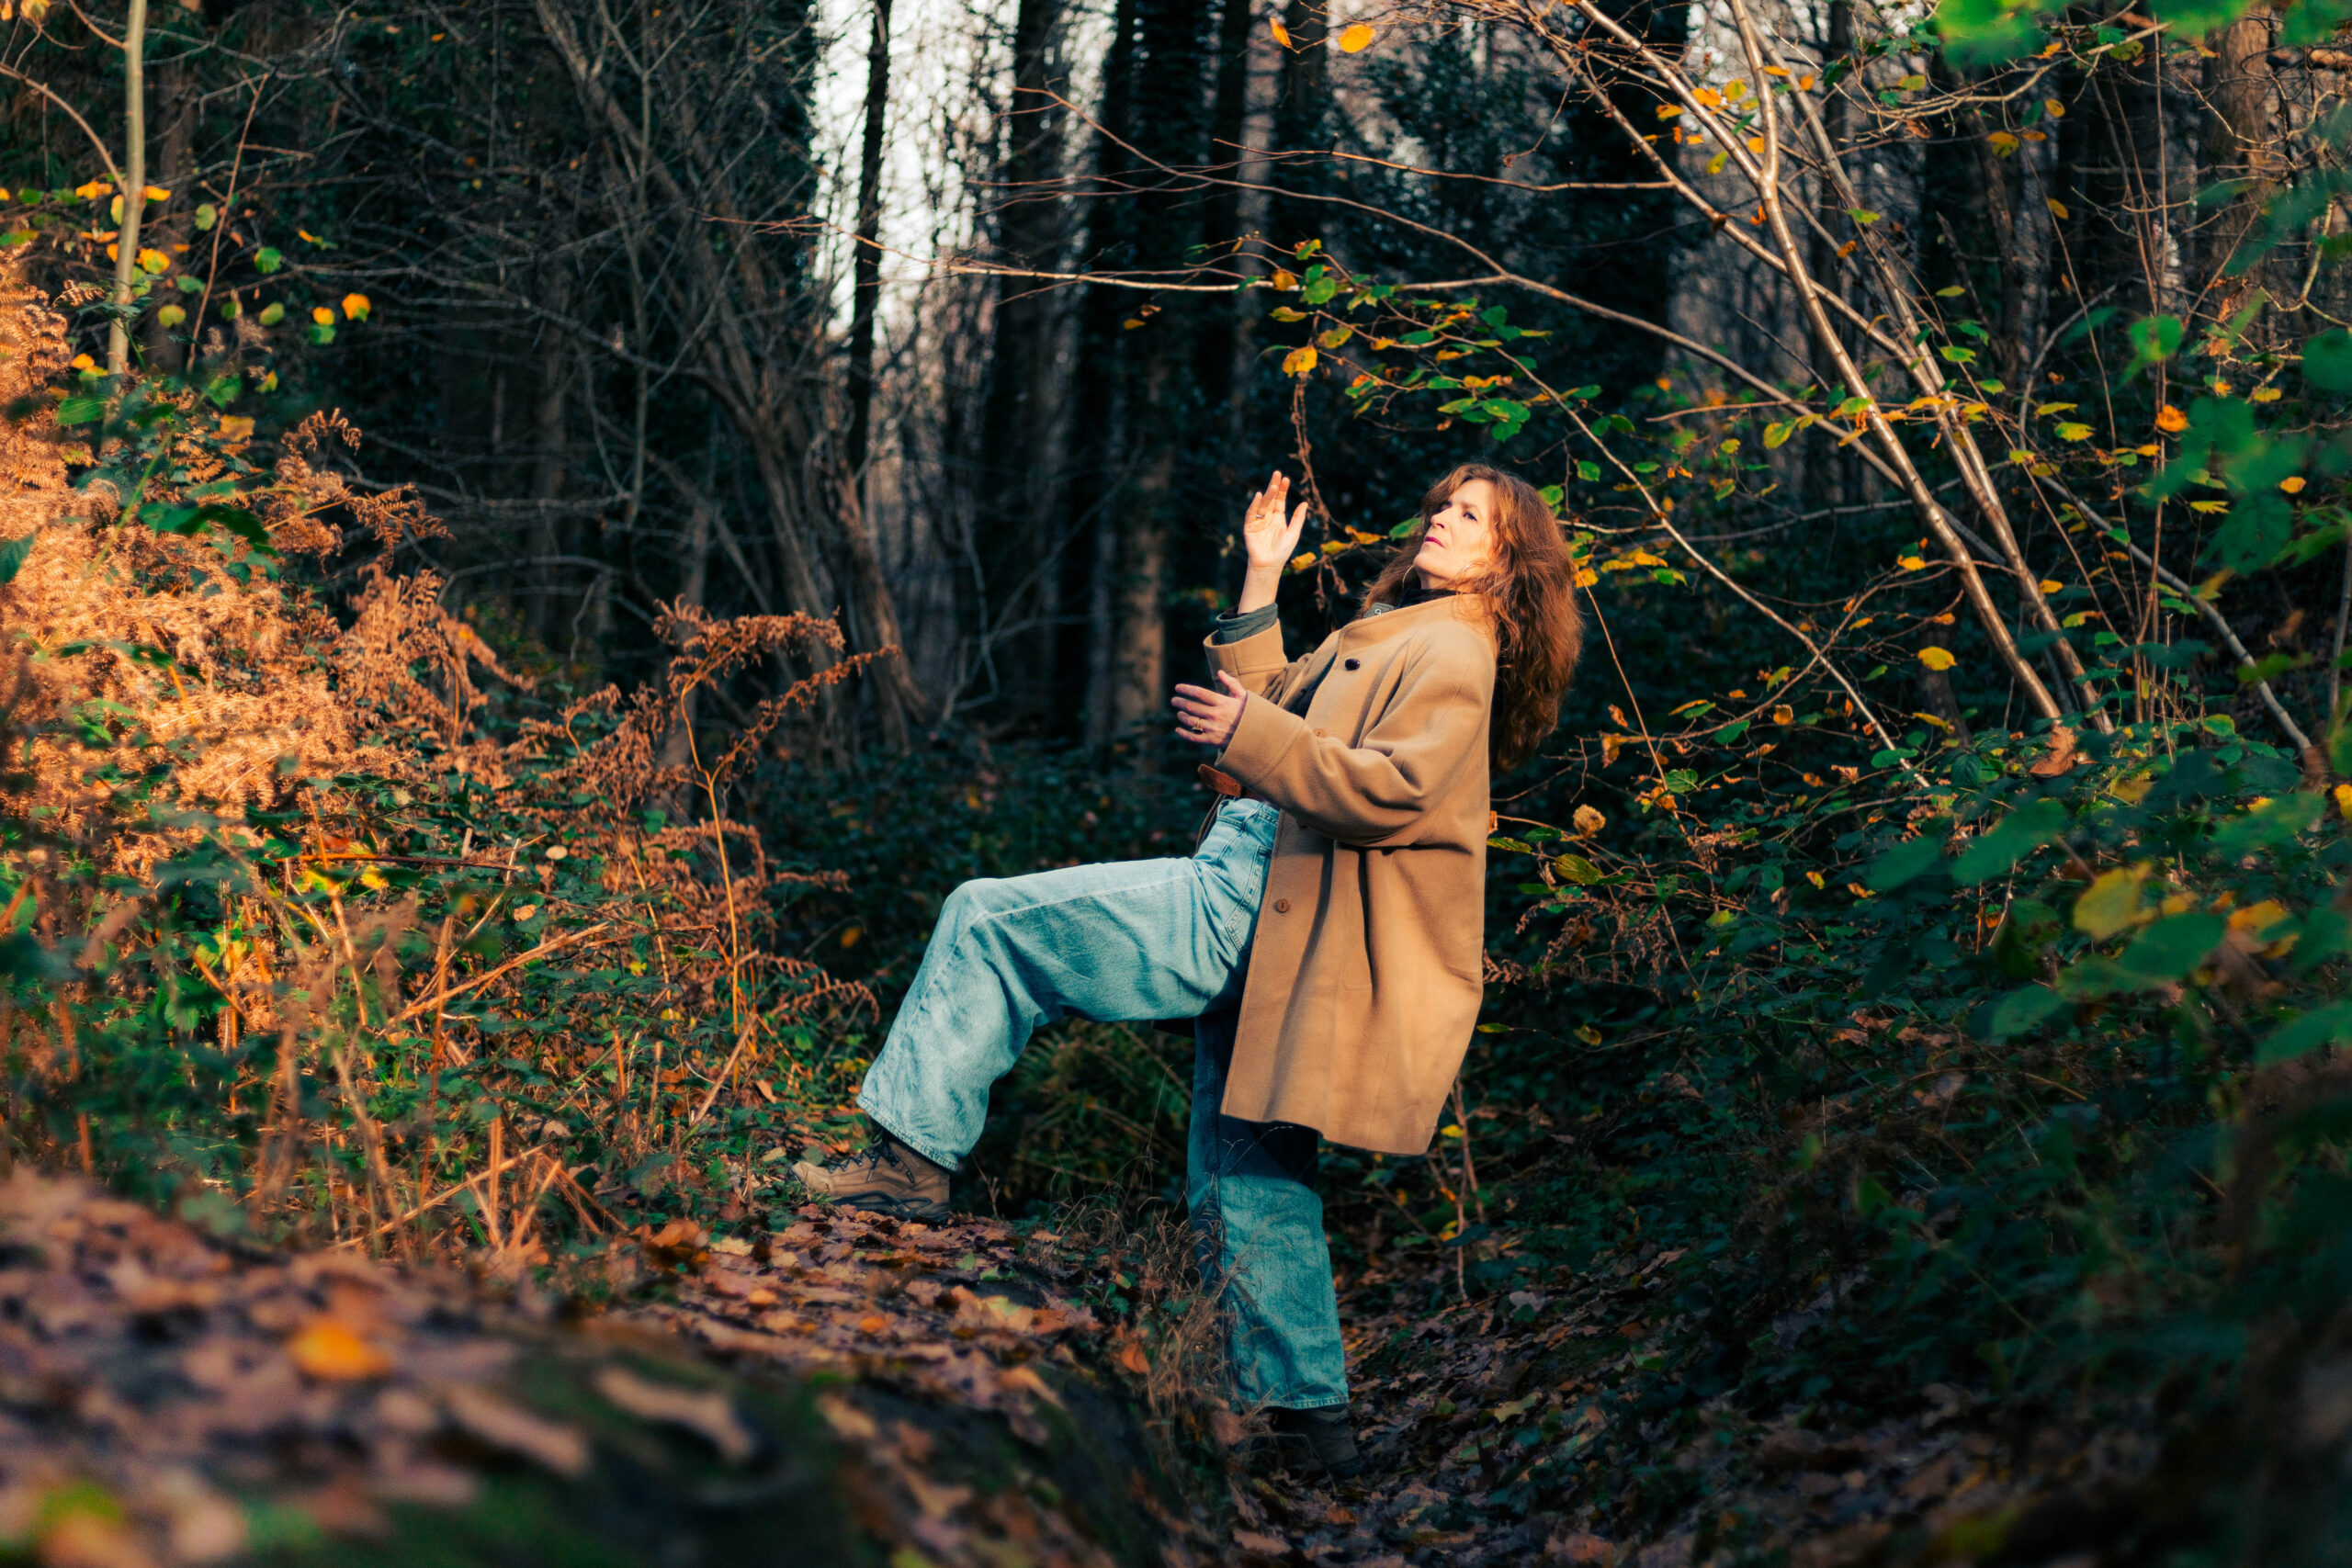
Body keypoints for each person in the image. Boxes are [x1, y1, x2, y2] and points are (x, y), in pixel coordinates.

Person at [793, 462, 1583, 1478]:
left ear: (1509, 561)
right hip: (1283, 909)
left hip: (1260, 894)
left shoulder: (1454, 648)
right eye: (1441, 506)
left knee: (988, 920)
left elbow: (1393, 792)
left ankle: (908, 1162)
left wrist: (1252, 736)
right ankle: (1308, 1425)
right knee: (1248, 1171)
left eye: (1470, 516)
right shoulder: (1405, 626)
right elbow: (1276, 705)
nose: (1441, 520)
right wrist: (1263, 575)